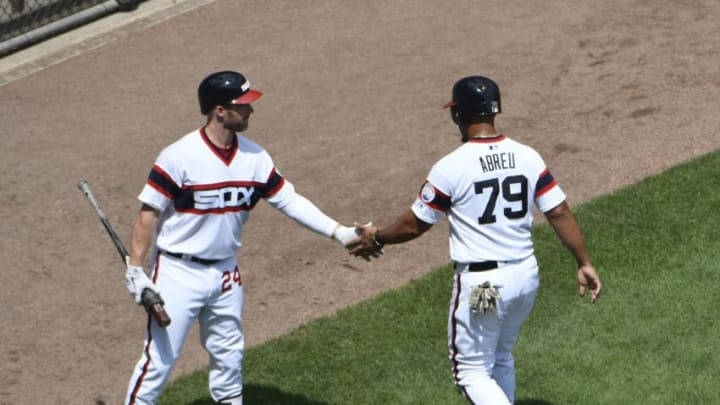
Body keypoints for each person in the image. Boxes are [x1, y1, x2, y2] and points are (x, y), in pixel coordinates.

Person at [348, 75, 601, 404]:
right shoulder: (527, 156)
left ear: (458, 114)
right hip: (525, 277)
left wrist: (378, 237)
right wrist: (583, 262)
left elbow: (414, 225)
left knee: (470, 370)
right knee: (500, 356)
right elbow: (560, 212)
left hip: (486, 286)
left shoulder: (451, 167)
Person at [123, 70, 366, 405]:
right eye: (243, 105)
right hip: (178, 273)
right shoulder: (179, 156)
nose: (251, 111)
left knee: (229, 354)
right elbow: (147, 214)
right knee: (160, 360)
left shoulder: (255, 158)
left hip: (225, 272)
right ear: (219, 110)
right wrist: (136, 270)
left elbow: (289, 200)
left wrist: (339, 232)